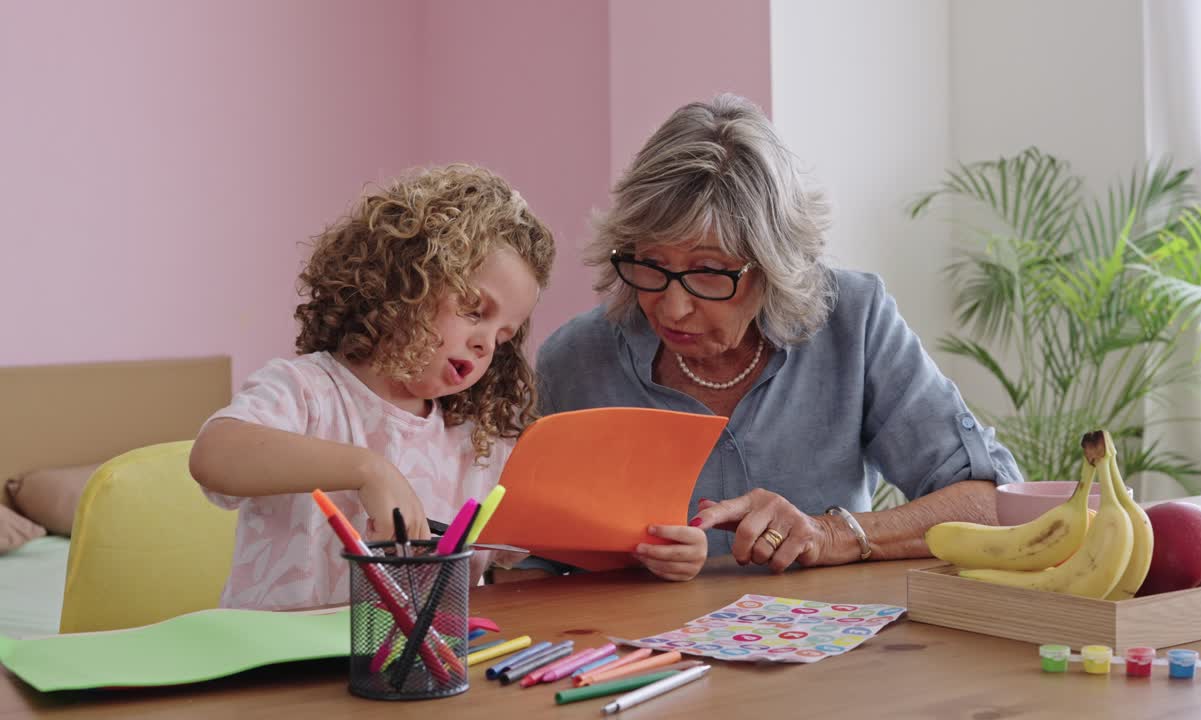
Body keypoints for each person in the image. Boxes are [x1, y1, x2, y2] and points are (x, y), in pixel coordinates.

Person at [536, 94, 1024, 579]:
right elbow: (531, 564)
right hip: (639, 651)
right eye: (652, 264)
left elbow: (995, 504)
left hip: (836, 651)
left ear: (773, 267)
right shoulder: (576, 362)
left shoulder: (853, 322)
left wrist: (831, 534)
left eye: (709, 271)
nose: (672, 306)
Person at [190, 165, 554, 610]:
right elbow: (213, 455)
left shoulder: (475, 444)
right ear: (406, 281)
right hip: (274, 668)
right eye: (474, 310)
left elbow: (542, 544)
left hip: (409, 669)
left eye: (503, 337)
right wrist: (369, 471)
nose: (484, 343)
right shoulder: (308, 391)